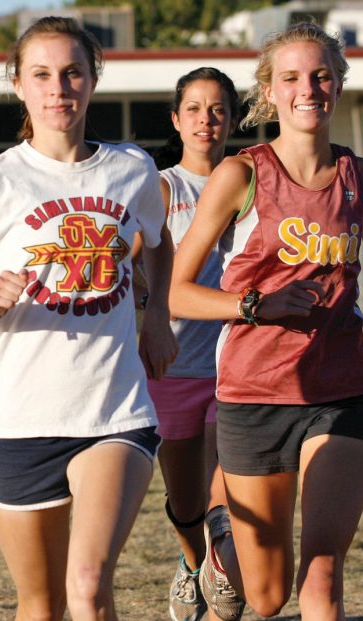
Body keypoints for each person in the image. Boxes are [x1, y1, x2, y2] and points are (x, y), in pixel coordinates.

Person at [0, 16, 177, 621]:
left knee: (87, 584)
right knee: (41, 603)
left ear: (93, 80)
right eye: (43, 75)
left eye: (73, 72)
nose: (60, 88)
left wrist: (155, 317)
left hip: (115, 412)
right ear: (19, 84)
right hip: (22, 420)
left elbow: (157, 241)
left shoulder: (131, 170)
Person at [170, 22, 363, 621]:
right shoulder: (242, 175)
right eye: (292, 78)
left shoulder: (358, 177)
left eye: (322, 75)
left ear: (338, 84)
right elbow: (178, 292)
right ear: (270, 92)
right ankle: (222, 544)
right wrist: (258, 305)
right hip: (254, 393)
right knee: (266, 595)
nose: (309, 88)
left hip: (340, 388)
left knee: (324, 569)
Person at [143, 67, 238, 621]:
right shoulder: (162, 187)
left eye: (218, 109)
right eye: (195, 109)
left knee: (224, 497)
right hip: (173, 366)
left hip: (238, 365)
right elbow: (127, 257)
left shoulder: (252, 181)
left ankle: (222, 568)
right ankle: (191, 562)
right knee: (186, 501)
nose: (207, 120)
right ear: (177, 120)